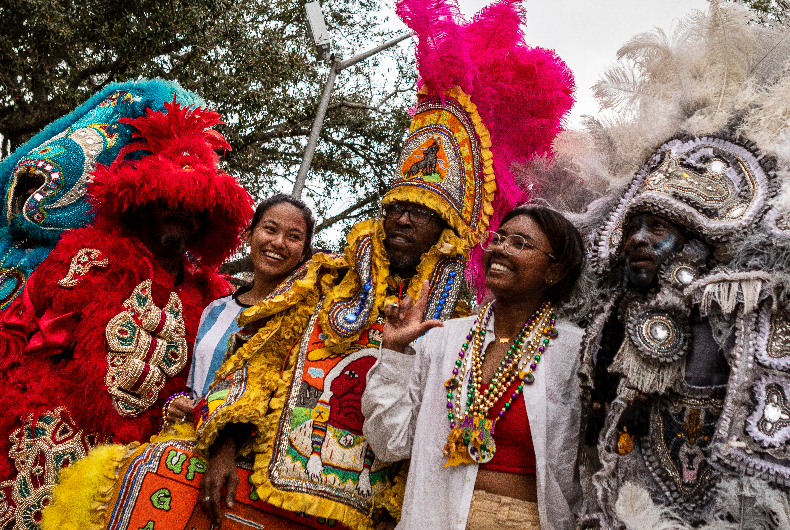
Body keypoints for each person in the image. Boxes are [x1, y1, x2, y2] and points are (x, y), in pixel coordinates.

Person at [51, 2, 575, 529]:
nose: (401, 222)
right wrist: (226, 445)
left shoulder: (464, 318)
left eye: (421, 214)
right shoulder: (323, 280)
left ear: (448, 229)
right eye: (394, 208)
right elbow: (254, 360)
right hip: (271, 489)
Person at [574, 3, 790, 528]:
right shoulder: (606, 317)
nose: (637, 240)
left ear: (697, 241)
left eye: (659, 229)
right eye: (632, 226)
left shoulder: (746, 305)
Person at [0, 99, 254, 530]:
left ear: (204, 221)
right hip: (45, 443)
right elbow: (18, 334)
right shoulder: (83, 255)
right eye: (167, 200)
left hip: (136, 469)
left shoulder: (215, 301)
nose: (179, 212)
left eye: (191, 206)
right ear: (143, 204)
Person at [361, 205, 585, 530]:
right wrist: (395, 351)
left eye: (520, 243)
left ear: (555, 272)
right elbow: (389, 443)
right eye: (498, 238)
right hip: (433, 518)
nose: (499, 249)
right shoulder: (443, 338)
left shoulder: (577, 351)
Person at [0, 79, 203, 311]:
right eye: (169, 198)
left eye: (196, 205)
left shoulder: (205, 301)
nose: (181, 210)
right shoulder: (72, 266)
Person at [164, 194, 316, 425]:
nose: (279, 242)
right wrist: (176, 405)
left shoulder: (305, 318)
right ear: (249, 235)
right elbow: (190, 387)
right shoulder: (215, 310)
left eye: (293, 237)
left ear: (304, 253)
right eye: (270, 229)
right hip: (187, 444)